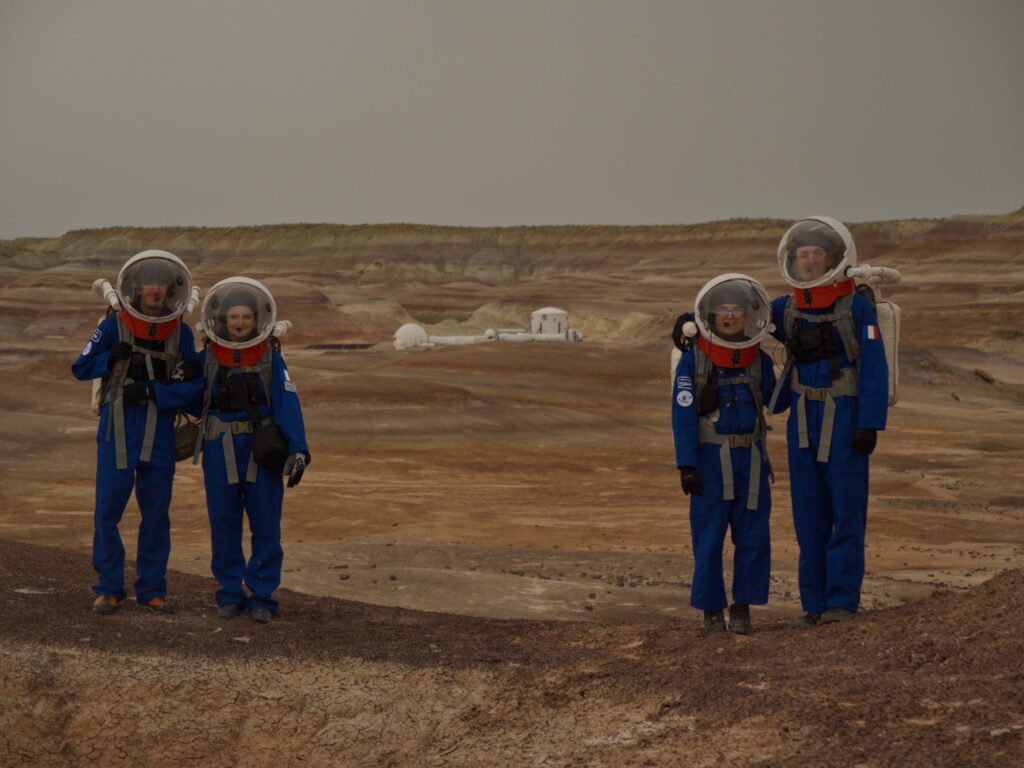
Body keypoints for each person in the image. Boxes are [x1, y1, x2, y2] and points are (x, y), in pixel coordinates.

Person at [768, 217, 889, 625]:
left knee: (847, 510)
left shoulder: (856, 306)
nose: (809, 261)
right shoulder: (786, 308)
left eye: (817, 254)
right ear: (793, 260)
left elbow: (874, 366)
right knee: (809, 513)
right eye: (803, 254)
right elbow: (739, 317)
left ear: (833, 258)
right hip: (802, 417)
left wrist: (869, 423)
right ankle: (814, 604)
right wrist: (690, 320)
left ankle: (841, 601)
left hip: (845, 417)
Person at [71, 250, 202, 614]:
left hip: (159, 433)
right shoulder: (112, 326)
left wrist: (154, 393)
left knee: (157, 515)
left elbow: (194, 388)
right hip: (117, 430)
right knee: (107, 512)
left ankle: (152, 590)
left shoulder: (180, 333)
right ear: (136, 288)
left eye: (160, 284)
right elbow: (80, 367)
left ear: (170, 290)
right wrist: (109, 358)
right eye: (148, 284)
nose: (154, 290)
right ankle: (109, 588)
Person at [671, 274, 788, 636]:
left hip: (751, 460)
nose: (730, 315)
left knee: (753, 535)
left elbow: (777, 402)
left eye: (737, 309)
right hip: (710, 461)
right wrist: (687, 465)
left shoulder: (759, 361)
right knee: (709, 537)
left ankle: (742, 608)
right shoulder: (693, 362)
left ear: (748, 315)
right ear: (710, 314)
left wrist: (797, 360)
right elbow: (682, 414)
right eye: (722, 309)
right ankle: (711, 610)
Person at [193, 277, 310, 624]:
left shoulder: (270, 357)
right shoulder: (208, 357)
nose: (240, 323)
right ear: (223, 320)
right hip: (219, 449)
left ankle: (262, 597)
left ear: (256, 319)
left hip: (263, 452)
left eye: (246, 316)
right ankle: (230, 594)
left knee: (266, 524)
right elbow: (187, 393)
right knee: (224, 523)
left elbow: (287, 402)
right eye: (234, 317)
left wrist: (299, 450)